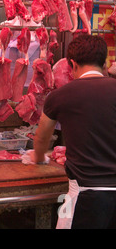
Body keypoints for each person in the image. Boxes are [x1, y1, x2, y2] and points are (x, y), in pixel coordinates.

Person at [32, 34, 116, 229]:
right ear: (104, 64)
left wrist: (38, 158)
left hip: (87, 197)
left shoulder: (60, 96)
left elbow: (42, 138)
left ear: (72, 64)